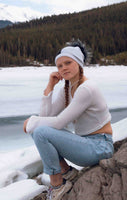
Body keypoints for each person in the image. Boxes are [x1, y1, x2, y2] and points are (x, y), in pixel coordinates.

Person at [23, 40, 114, 200]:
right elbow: (46, 118)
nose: (63, 68)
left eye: (68, 63)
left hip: (100, 146)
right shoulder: (67, 89)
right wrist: (50, 87)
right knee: (37, 131)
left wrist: (31, 121)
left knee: (40, 131)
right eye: (59, 66)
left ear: (79, 64)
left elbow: (58, 123)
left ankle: (57, 185)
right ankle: (67, 172)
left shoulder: (86, 88)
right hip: (85, 144)